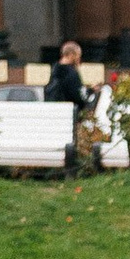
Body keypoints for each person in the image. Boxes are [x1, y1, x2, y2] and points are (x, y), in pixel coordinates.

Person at [44, 38, 95, 177]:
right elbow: (78, 96)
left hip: (54, 115)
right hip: (69, 117)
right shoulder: (72, 73)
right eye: (78, 55)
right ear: (71, 55)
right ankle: (71, 172)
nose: (79, 59)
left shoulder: (55, 70)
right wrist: (90, 94)